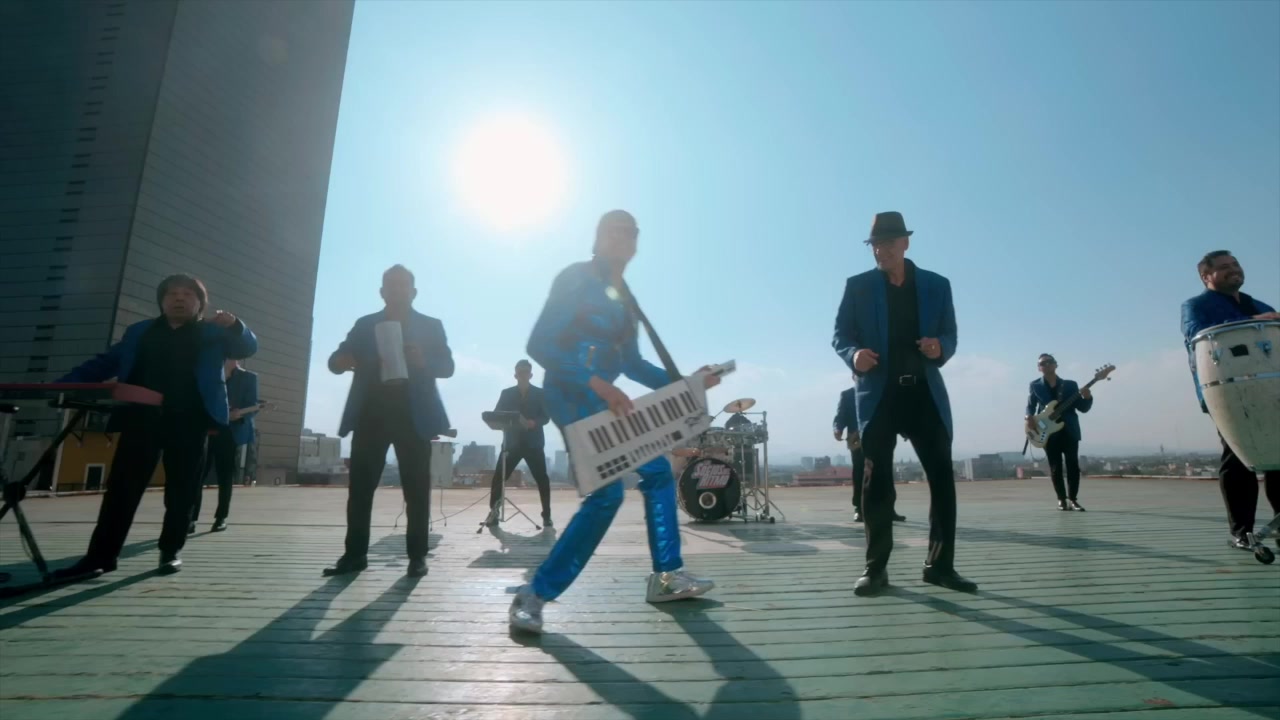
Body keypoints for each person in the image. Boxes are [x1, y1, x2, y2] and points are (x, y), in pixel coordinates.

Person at [509, 209, 720, 634]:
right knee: (607, 495)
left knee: (657, 473)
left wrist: (689, 383)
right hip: (570, 395)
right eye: (614, 231)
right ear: (598, 238)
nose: (623, 238)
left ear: (636, 243)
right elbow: (539, 344)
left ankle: (667, 575)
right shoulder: (575, 278)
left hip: (605, 399)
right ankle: (534, 594)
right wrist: (596, 383)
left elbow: (634, 364)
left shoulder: (626, 300)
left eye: (631, 232)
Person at [52, 274, 257, 577]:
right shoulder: (140, 331)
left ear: (200, 304)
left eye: (188, 294)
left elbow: (247, 347)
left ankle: (170, 552)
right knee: (121, 490)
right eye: (172, 293)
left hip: (190, 420)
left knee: (182, 491)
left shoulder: (212, 333)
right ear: (161, 301)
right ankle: (100, 557)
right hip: (140, 418)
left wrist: (235, 324)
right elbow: (104, 363)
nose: (179, 298)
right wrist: (63, 386)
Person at [832, 211, 977, 597]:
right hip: (879, 396)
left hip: (924, 394)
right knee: (876, 482)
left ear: (905, 243)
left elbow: (950, 333)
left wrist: (940, 347)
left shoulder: (937, 285)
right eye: (875, 244)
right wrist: (853, 355)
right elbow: (841, 335)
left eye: (888, 243)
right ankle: (876, 569)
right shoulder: (858, 286)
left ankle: (940, 567)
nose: (881, 250)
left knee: (942, 478)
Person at [325, 264, 454, 578]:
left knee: (417, 489)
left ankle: (417, 556)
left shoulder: (431, 326)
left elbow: (447, 367)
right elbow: (335, 361)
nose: (397, 290)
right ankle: (354, 555)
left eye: (403, 285)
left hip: (414, 417)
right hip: (371, 414)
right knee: (360, 489)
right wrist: (343, 360)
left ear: (413, 291)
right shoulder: (365, 325)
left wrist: (422, 360)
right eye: (391, 285)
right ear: (382, 292)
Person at [1180, 250, 1280, 550]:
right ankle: (1242, 532)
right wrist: (1253, 321)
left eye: (1235, 264)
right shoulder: (1195, 306)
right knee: (1237, 456)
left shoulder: (1259, 305)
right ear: (1206, 276)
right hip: (1227, 390)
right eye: (1224, 267)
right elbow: (1196, 334)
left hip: (1270, 387)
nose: (1233, 269)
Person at [190, 358, 260, 531]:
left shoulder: (249, 377)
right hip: (206, 429)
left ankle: (221, 517)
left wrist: (239, 415)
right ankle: (190, 518)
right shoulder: (211, 371)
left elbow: (253, 406)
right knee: (197, 474)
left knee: (225, 476)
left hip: (230, 432)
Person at [486, 359, 554, 527]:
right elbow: (497, 413)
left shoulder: (540, 394)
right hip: (511, 444)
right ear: (515, 375)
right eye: (520, 372)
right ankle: (494, 513)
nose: (523, 374)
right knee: (498, 478)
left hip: (533, 444)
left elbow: (546, 417)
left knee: (542, 479)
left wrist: (534, 422)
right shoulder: (506, 393)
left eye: (526, 372)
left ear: (531, 375)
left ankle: (546, 515)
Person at [1024, 353, 1093, 512]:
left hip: (1069, 430)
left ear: (1056, 364)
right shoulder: (1035, 385)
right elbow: (1030, 406)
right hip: (1047, 431)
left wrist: (1088, 397)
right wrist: (1028, 417)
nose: (1047, 365)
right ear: (1039, 368)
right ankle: (1061, 500)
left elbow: (1083, 408)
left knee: (1072, 465)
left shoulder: (1070, 385)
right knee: (1055, 466)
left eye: (1049, 362)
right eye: (1043, 363)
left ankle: (1073, 500)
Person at [834, 383, 905, 523]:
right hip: (857, 439)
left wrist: (904, 429)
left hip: (883, 436)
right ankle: (859, 509)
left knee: (885, 472)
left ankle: (888, 509)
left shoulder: (884, 389)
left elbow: (894, 412)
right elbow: (841, 415)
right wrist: (838, 428)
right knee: (860, 473)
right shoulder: (848, 395)